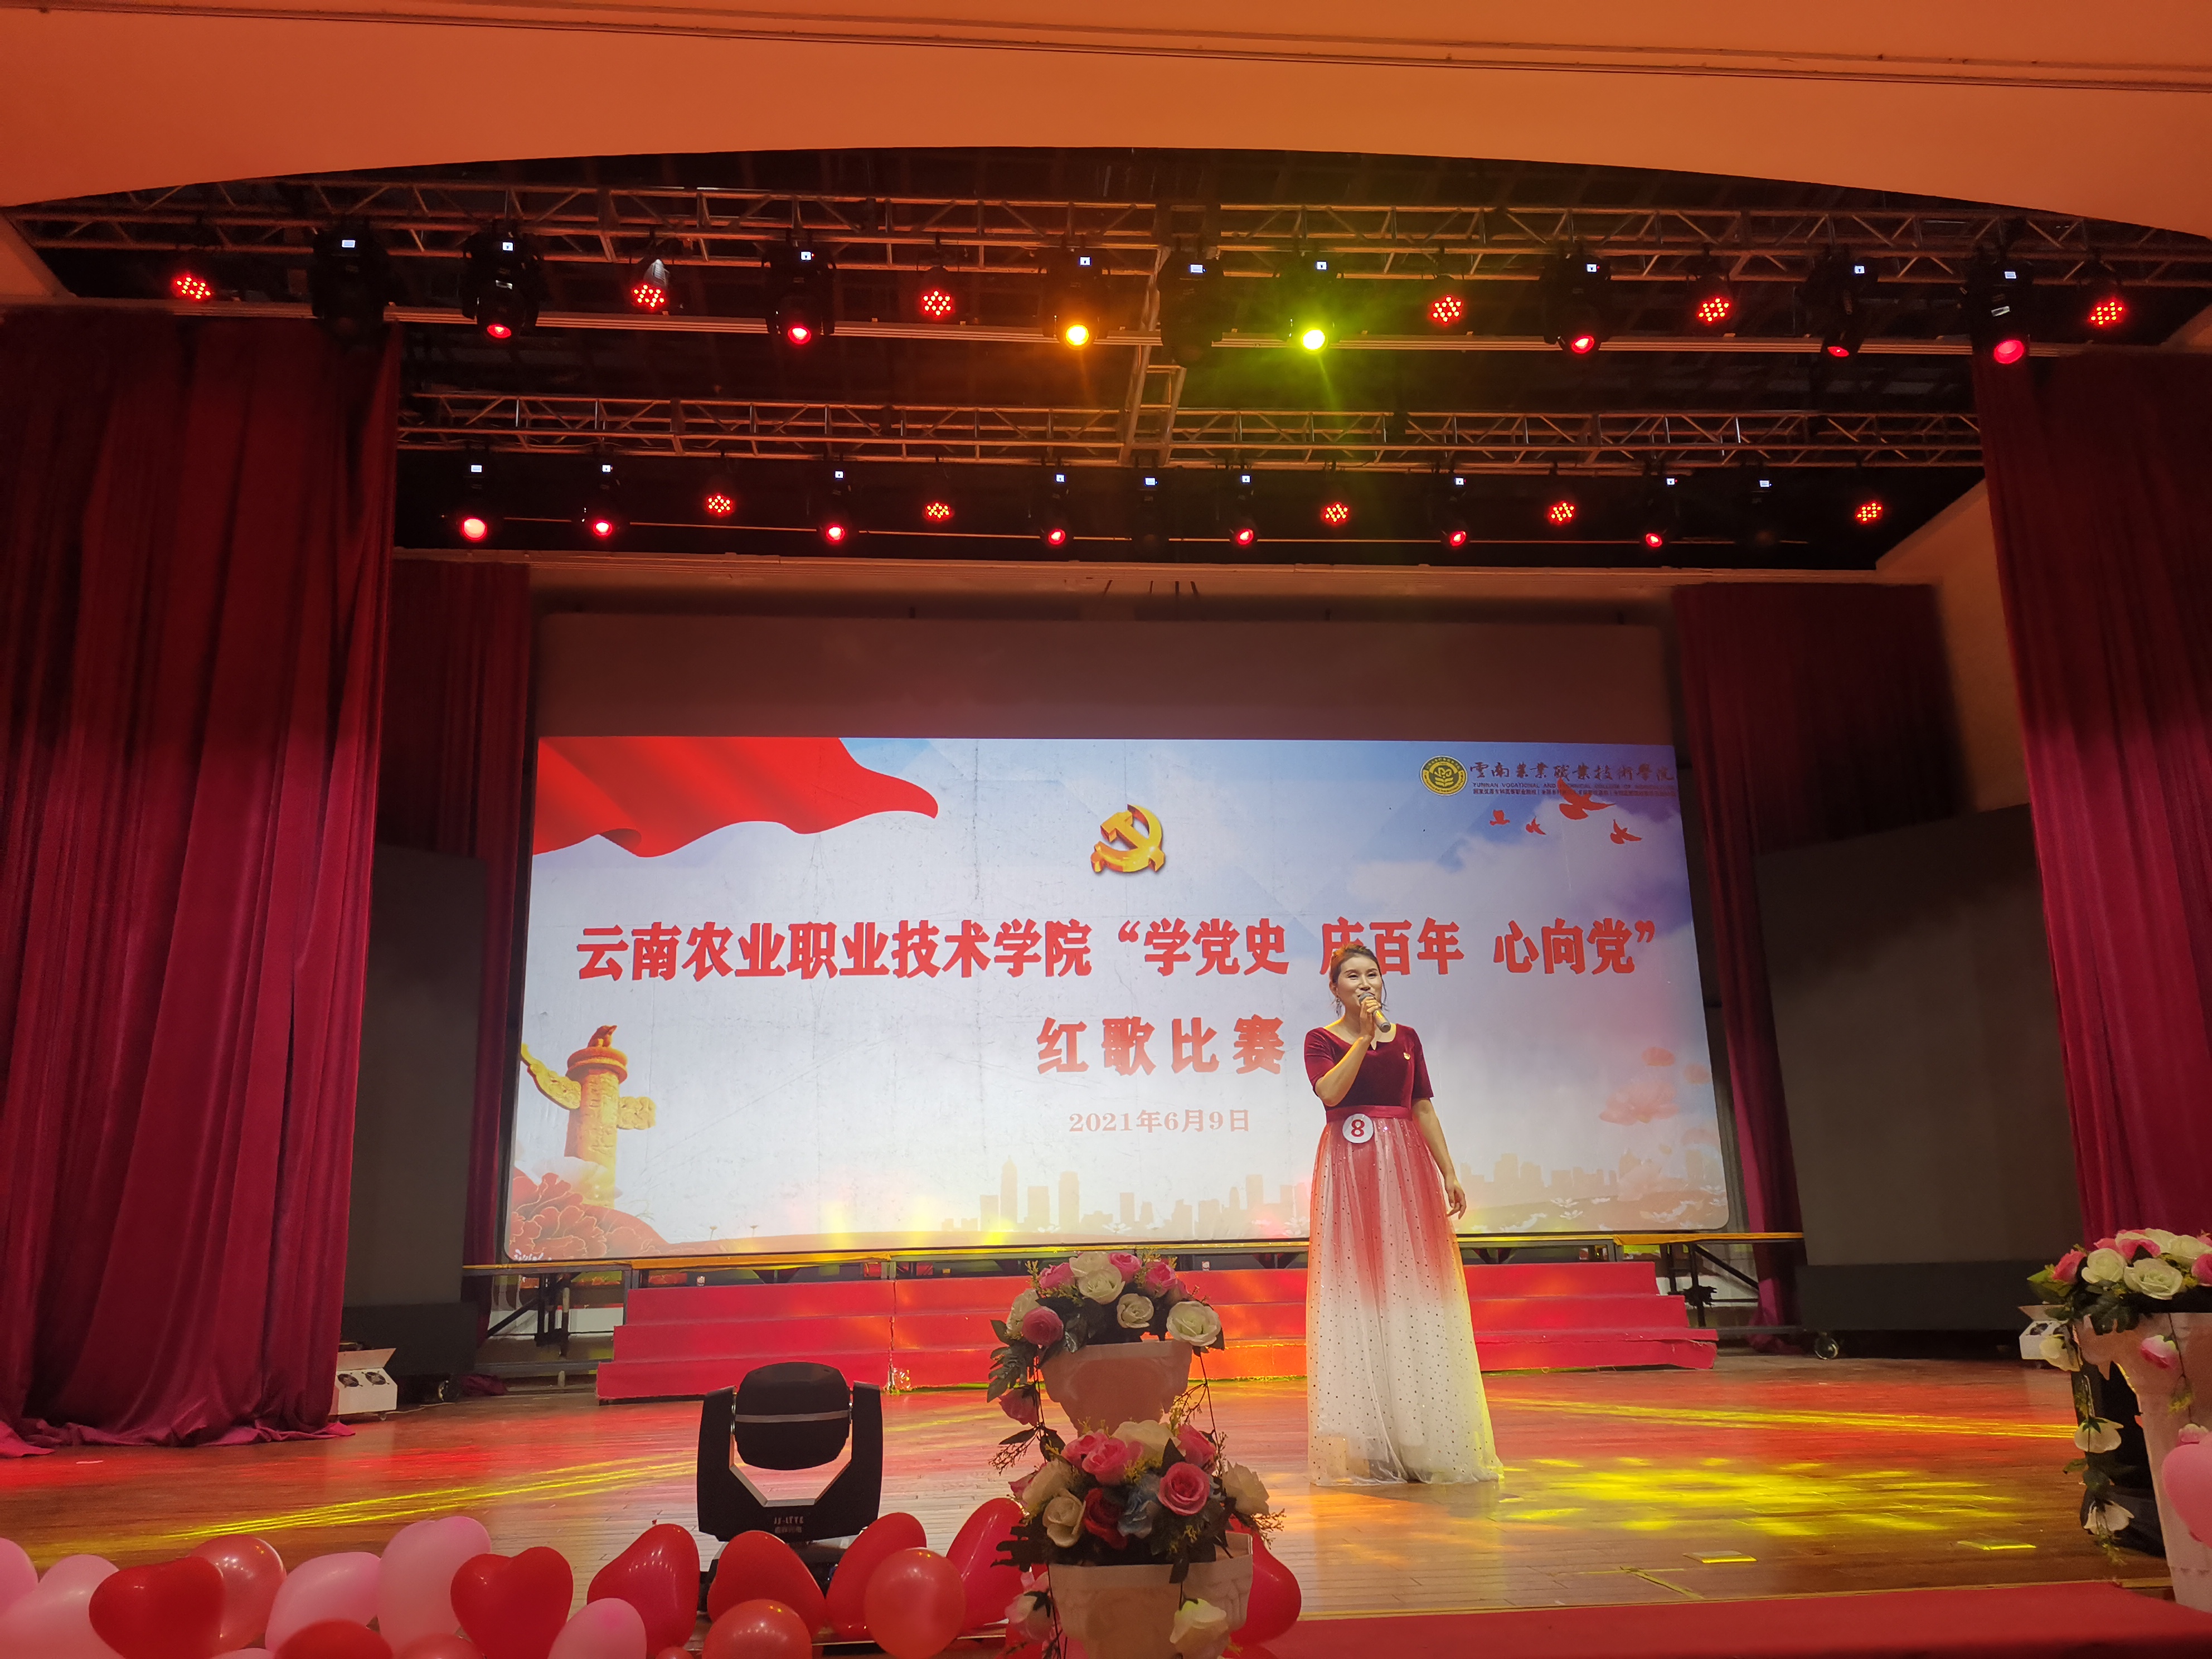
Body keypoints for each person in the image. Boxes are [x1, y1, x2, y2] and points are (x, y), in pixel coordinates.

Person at [1302, 943, 1501, 1486]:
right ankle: (1370, 1440)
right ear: (1335, 988)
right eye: (1351, 977)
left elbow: (1423, 1107)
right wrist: (1362, 1040)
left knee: (1410, 1290)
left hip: (1404, 1166)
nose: (1364, 983)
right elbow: (1329, 1092)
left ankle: (1421, 1435)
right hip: (1350, 1167)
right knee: (1360, 1293)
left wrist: (1449, 1172)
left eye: (1372, 974)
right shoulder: (1321, 1040)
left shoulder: (1408, 1038)